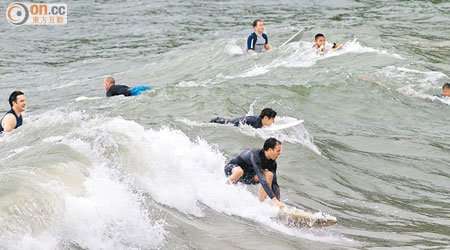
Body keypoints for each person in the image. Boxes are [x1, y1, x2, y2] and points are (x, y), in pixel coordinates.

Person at [225, 138, 285, 209]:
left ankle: (261, 205)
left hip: (247, 176)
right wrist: (274, 199)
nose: (280, 153)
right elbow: (262, 179)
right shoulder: (255, 155)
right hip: (232, 169)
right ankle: (225, 187)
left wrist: (278, 202)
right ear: (270, 150)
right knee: (239, 171)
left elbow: (274, 184)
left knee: (269, 175)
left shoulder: (272, 163)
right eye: (278, 151)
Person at [210, 108, 277, 128]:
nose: (273, 121)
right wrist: (229, 125)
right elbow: (240, 121)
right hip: (220, 122)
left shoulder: (260, 123)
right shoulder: (254, 120)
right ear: (265, 118)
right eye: (272, 119)